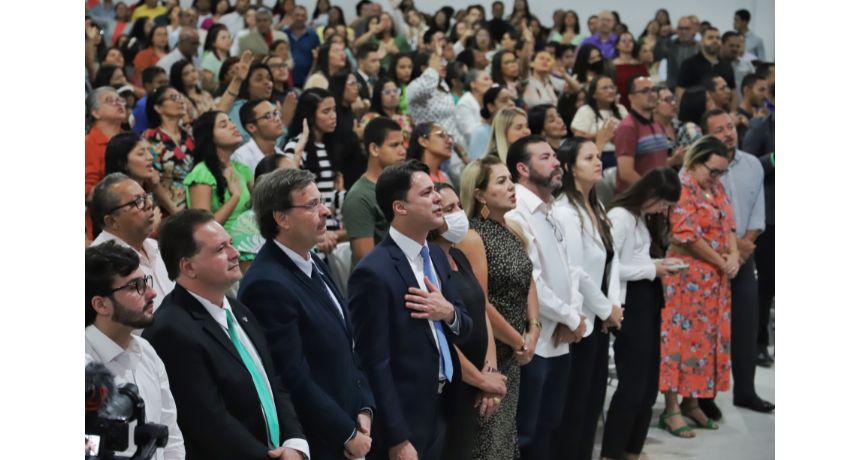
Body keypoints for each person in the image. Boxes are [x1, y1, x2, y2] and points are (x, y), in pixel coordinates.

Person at [143, 209, 308, 459]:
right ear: (189, 267)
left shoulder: (238, 308)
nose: (235, 253)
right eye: (221, 249)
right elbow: (209, 421)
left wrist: (296, 442)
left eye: (231, 243)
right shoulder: (171, 329)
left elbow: (271, 382)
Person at [238, 168, 376, 460]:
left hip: (352, 421)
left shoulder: (310, 257)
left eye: (322, 201)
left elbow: (347, 343)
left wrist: (364, 405)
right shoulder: (266, 283)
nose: (325, 211)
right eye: (312, 205)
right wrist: (346, 433)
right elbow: (291, 376)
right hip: (321, 439)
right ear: (281, 218)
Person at [347, 159, 474, 460]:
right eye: (427, 192)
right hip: (407, 416)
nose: (438, 198)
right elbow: (374, 362)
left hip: (446, 404)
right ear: (400, 207)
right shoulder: (374, 272)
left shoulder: (438, 257)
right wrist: (397, 437)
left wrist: (448, 313)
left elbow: (465, 325)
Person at [504, 135, 586, 460]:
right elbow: (531, 279)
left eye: (554, 155)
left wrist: (575, 317)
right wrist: (570, 317)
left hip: (561, 336)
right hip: (535, 340)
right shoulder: (517, 211)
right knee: (526, 432)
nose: (556, 162)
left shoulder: (550, 209)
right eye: (546, 157)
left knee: (550, 425)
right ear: (522, 168)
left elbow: (570, 270)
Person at [458, 155, 539, 460]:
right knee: (487, 439)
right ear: (479, 194)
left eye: (510, 179)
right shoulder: (473, 236)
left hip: (517, 351)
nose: (511, 187)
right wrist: (518, 340)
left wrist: (534, 328)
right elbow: (481, 303)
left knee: (506, 437)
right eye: (501, 181)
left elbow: (529, 280)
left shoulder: (514, 229)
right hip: (492, 350)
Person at [601, 167, 682, 460]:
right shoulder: (620, 217)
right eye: (663, 203)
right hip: (630, 303)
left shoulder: (639, 217)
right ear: (650, 193)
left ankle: (631, 449)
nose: (663, 210)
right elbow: (611, 268)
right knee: (633, 384)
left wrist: (657, 265)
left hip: (647, 299)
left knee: (648, 385)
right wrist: (653, 268)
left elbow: (633, 261)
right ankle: (612, 452)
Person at [659, 135, 736, 437]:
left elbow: (729, 224)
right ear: (696, 160)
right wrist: (721, 260)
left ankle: (693, 402)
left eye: (721, 172)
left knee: (703, 343)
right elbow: (685, 235)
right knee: (678, 341)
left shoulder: (715, 188)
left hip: (715, 283)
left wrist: (733, 255)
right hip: (685, 279)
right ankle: (671, 408)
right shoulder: (683, 186)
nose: (716, 177)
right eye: (713, 171)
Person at [552, 138, 623, 460]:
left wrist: (614, 306)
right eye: (589, 157)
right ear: (569, 167)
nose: (599, 162)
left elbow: (613, 259)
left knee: (593, 404)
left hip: (602, 319)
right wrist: (606, 308)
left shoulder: (598, 206)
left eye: (599, 156)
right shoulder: (565, 212)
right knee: (575, 408)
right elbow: (576, 272)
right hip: (580, 321)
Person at [701, 110, 774, 415]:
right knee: (707, 331)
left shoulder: (753, 164)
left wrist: (743, 248)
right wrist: (724, 254)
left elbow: (758, 211)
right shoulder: (696, 169)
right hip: (707, 259)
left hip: (743, 255)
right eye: (719, 130)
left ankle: (745, 391)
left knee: (746, 324)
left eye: (730, 126)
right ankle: (703, 397)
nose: (728, 133)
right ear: (707, 136)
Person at [85, 240, 185, 460]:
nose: (151, 293)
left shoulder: (146, 350)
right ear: (101, 305)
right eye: (134, 286)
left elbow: (171, 437)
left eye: (146, 281)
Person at [431, 182, 502, 460]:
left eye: (459, 206)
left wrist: (491, 369)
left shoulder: (458, 255)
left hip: (479, 379)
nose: (459, 213)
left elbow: (481, 309)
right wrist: (481, 379)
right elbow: (440, 337)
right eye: (449, 209)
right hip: (453, 384)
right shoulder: (428, 265)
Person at [90, 172, 175, 308]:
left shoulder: (154, 246)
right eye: (138, 202)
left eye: (146, 197)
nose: (148, 205)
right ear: (112, 221)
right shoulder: (98, 264)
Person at [343, 117, 406, 266]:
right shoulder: (359, 197)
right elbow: (368, 262)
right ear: (374, 149)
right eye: (394, 145)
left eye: (402, 144)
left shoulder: (403, 186)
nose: (403, 151)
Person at [282, 88, 342, 243]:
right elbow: (288, 188)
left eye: (334, 110)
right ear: (310, 116)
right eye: (326, 111)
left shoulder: (329, 146)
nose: (333, 116)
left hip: (332, 231)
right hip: (311, 234)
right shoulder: (295, 147)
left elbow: (329, 196)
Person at [184, 111, 253, 233]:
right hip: (223, 246)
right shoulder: (202, 173)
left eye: (231, 121)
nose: (233, 126)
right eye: (223, 125)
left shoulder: (242, 169)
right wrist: (235, 196)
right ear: (210, 136)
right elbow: (203, 228)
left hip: (251, 240)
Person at [230, 154, 296, 271]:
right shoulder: (247, 222)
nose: (298, 183)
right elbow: (256, 279)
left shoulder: (298, 216)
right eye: (289, 177)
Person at [614, 76, 674, 193]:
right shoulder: (627, 128)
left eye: (653, 90)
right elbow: (626, 173)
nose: (651, 94)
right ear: (631, 97)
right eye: (645, 91)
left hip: (658, 199)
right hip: (635, 200)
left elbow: (659, 163)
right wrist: (652, 192)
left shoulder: (658, 125)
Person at [143, 85, 195, 213]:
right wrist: (175, 212)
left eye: (180, 97)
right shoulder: (150, 137)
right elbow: (152, 181)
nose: (181, 101)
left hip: (197, 202)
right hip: (167, 208)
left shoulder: (190, 133)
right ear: (158, 107)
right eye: (173, 98)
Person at [103, 132, 179, 217]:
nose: (150, 157)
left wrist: (156, 186)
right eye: (141, 154)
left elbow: (177, 214)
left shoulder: (150, 187)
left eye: (149, 151)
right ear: (123, 163)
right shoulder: (119, 199)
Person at [571, 75, 628, 169]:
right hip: (599, 156)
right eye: (605, 88)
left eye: (612, 87)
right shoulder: (586, 110)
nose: (610, 91)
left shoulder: (621, 109)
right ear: (594, 94)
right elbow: (578, 139)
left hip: (622, 154)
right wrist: (602, 135)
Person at [86, 87, 127, 204]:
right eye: (110, 100)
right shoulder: (88, 143)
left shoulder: (132, 138)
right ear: (95, 113)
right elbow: (87, 193)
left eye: (120, 100)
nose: (119, 103)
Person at [677, 26, 735, 101]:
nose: (715, 41)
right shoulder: (689, 64)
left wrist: (732, 112)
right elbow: (680, 93)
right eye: (710, 38)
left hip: (722, 111)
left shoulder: (727, 65)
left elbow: (732, 93)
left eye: (718, 38)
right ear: (702, 41)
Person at [359, 76, 414, 150]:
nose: (393, 95)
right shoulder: (370, 118)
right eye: (387, 92)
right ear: (378, 96)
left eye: (395, 91)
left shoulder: (404, 118)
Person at [232, 99, 288, 171]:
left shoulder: (282, 156)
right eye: (268, 116)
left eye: (275, 113)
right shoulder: (240, 158)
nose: (277, 119)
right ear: (251, 127)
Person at [468, 86, 516, 161]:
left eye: (512, 99)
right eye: (504, 100)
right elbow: (477, 165)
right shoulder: (481, 132)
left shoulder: (513, 130)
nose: (511, 103)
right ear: (491, 107)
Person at [653, 16, 699, 91]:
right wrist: (663, 36)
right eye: (681, 28)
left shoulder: (700, 47)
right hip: (673, 88)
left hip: (693, 88)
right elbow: (657, 55)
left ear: (693, 30)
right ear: (676, 30)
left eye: (687, 29)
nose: (684, 32)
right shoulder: (669, 44)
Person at [455, 69, 493, 147]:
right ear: (473, 84)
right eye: (486, 79)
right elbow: (469, 132)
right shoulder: (465, 103)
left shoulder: (489, 101)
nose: (490, 83)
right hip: (471, 149)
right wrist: (486, 122)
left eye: (490, 79)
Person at [287, 5, 321, 88]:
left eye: (303, 15)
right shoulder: (284, 34)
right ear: (292, 16)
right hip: (286, 80)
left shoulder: (313, 36)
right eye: (297, 15)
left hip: (306, 80)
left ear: (306, 18)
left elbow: (317, 58)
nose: (300, 18)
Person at [612, 32, 648, 109]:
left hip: (639, 101)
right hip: (619, 101)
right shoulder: (612, 66)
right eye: (623, 41)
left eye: (630, 41)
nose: (627, 43)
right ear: (617, 45)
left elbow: (647, 83)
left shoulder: (640, 65)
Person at [132, 66, 169, 134]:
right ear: (147, 85)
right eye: (160, 82)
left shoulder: (169, 101)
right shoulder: (142, 106)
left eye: (166, 82)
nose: (165, 86)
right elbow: (139, 133)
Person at [200, 23, 232, 91]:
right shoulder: (209, 59)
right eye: (223, 38)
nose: (228, 40)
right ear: (213, 42)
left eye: (229, 37)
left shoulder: (230, 57)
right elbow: (207, 85)